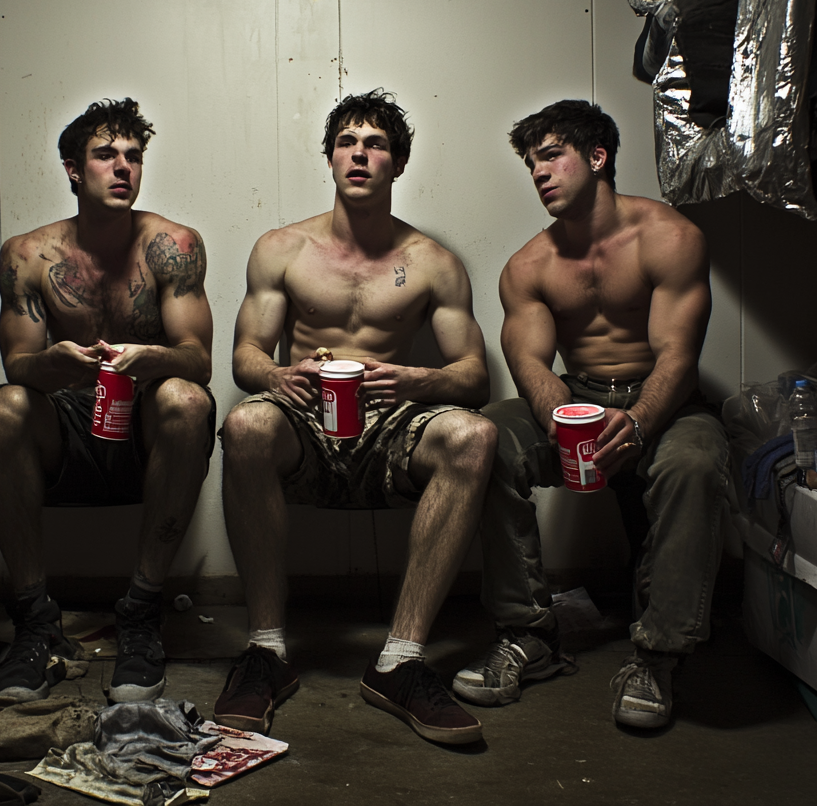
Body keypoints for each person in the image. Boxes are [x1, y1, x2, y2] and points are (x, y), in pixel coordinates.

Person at [215, 90, 497, 745]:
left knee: (475, 436)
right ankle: (266, 651)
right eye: (348, 142)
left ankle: (400, 660)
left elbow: (475, 377)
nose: (360, 154)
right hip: (304, 425)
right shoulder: (282, 249)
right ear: (331, 157)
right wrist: (279, 375)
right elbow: (246, 356)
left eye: (375, 145)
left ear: (397, 164)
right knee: (246, 424)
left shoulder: (432, 262)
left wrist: (415, 378)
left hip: (390, 428)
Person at [452, 99, 728, 729]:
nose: (539, 173)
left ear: (598, 157)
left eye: (552, 155)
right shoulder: (529, 266)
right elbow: (528, 362)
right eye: (531, 163)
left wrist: (638, 423)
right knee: (486, 436)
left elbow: (678, 357)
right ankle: (529, 635)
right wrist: (562, 417)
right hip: (577, 396)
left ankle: (660, 656)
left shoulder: (670, 238)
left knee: (695, 463)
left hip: (665, 398)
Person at [0, 98, 215, 704]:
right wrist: (50, 365)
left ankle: (140, 612)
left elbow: (198, 359)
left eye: (133, 157)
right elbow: (17, 365)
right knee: (0, 406)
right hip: (66, 425)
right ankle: (35, 623)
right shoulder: (28, 255)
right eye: (105, 155)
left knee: (188, 400)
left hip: (142, 424)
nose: (122, 168)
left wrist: (151, 357)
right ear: (72, 170)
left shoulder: (174, 246)